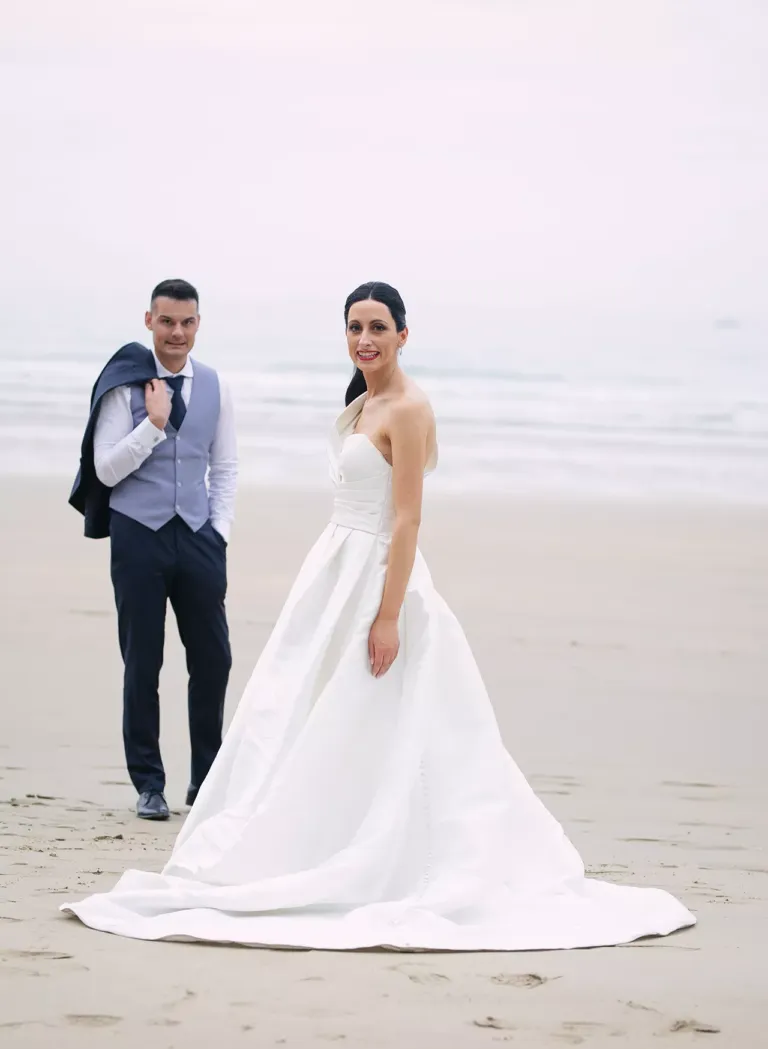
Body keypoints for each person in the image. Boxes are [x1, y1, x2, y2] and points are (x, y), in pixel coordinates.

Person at [61, 282, 695, 951]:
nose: (365, 339)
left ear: (402, 335)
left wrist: (389, 615)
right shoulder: (363, 402)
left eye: (378, 327)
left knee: (379, 713)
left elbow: (409, 517)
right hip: (333, 570)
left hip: (378, 578)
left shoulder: (412, 408)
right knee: (300, 708)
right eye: (355, 327)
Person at [68, 279, 237, 821]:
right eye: (167, 322)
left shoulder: (215, 385)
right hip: (138, 534)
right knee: (143, 662)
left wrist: (219, 529)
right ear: (149, 321)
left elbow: (225, 466)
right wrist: (155, 425)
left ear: (198, 324)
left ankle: (205, 779)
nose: (177, 333)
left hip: (198, 536)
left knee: (213, 658)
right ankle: (149, 783)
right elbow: (105, 468)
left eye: (187, 322)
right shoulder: (126, 386)